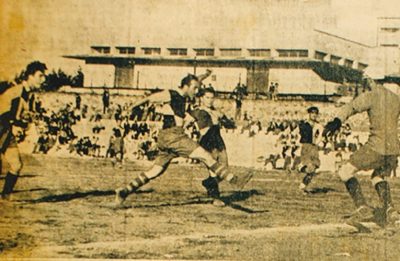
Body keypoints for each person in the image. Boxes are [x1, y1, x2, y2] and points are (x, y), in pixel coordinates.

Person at [115, 72, 253, 205]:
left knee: (155, 171)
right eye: (195, 88)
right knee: (205, 155)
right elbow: (149, 98)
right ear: (186, 86)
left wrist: (204, 76)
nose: (197, 91)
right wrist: (130, 108)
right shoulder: (172, 94)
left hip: (169, 137)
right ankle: (234, 180)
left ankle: (124, 191)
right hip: (173, 136)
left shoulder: (183, 95)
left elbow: (194, 81)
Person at [324, 75, 400, 225]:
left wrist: (336, 121)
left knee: (345, 172)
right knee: (378, 177)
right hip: (393, 149)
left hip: (376, 146)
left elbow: (351, 107)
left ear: (371, 80)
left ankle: (362, 206)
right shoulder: (396, 98)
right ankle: (390, 210)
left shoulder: (371, 95)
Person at [0, 61, 47, 200]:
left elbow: (19, 115)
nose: (43, 79)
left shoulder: (29, 95)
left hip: (7, 132)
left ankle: (5, 197)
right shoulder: (16, 91)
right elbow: (3, 113)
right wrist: (13, 125)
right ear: (30, 76)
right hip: (1, 128)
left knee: (16, 164)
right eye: (40, 76)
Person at [191, 86, 234, 207]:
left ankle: (208, 182)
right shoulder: (199, 111)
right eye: (207, 97)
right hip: (208, 141)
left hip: (218, 140)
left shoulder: (215, 111)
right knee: (214, 170)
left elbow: (230, 125)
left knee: (224, 168)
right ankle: (216, 198)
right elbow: (204, 129)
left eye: (211, 98)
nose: (209, 100)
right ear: (201, 98)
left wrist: (225, 118)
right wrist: (216, 119)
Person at [298, 106, 323, 193]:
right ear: (309, 114)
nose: (314, 115)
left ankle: (302, 186)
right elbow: (301, 134)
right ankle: (300, 167)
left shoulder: (319, 125)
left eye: (316, 113)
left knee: (314, 168)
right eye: (312, 113)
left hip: (314, 147)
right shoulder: (304, 124)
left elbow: (320, 136)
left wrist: (317, 143)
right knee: (310, 168)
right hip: (306, 146)